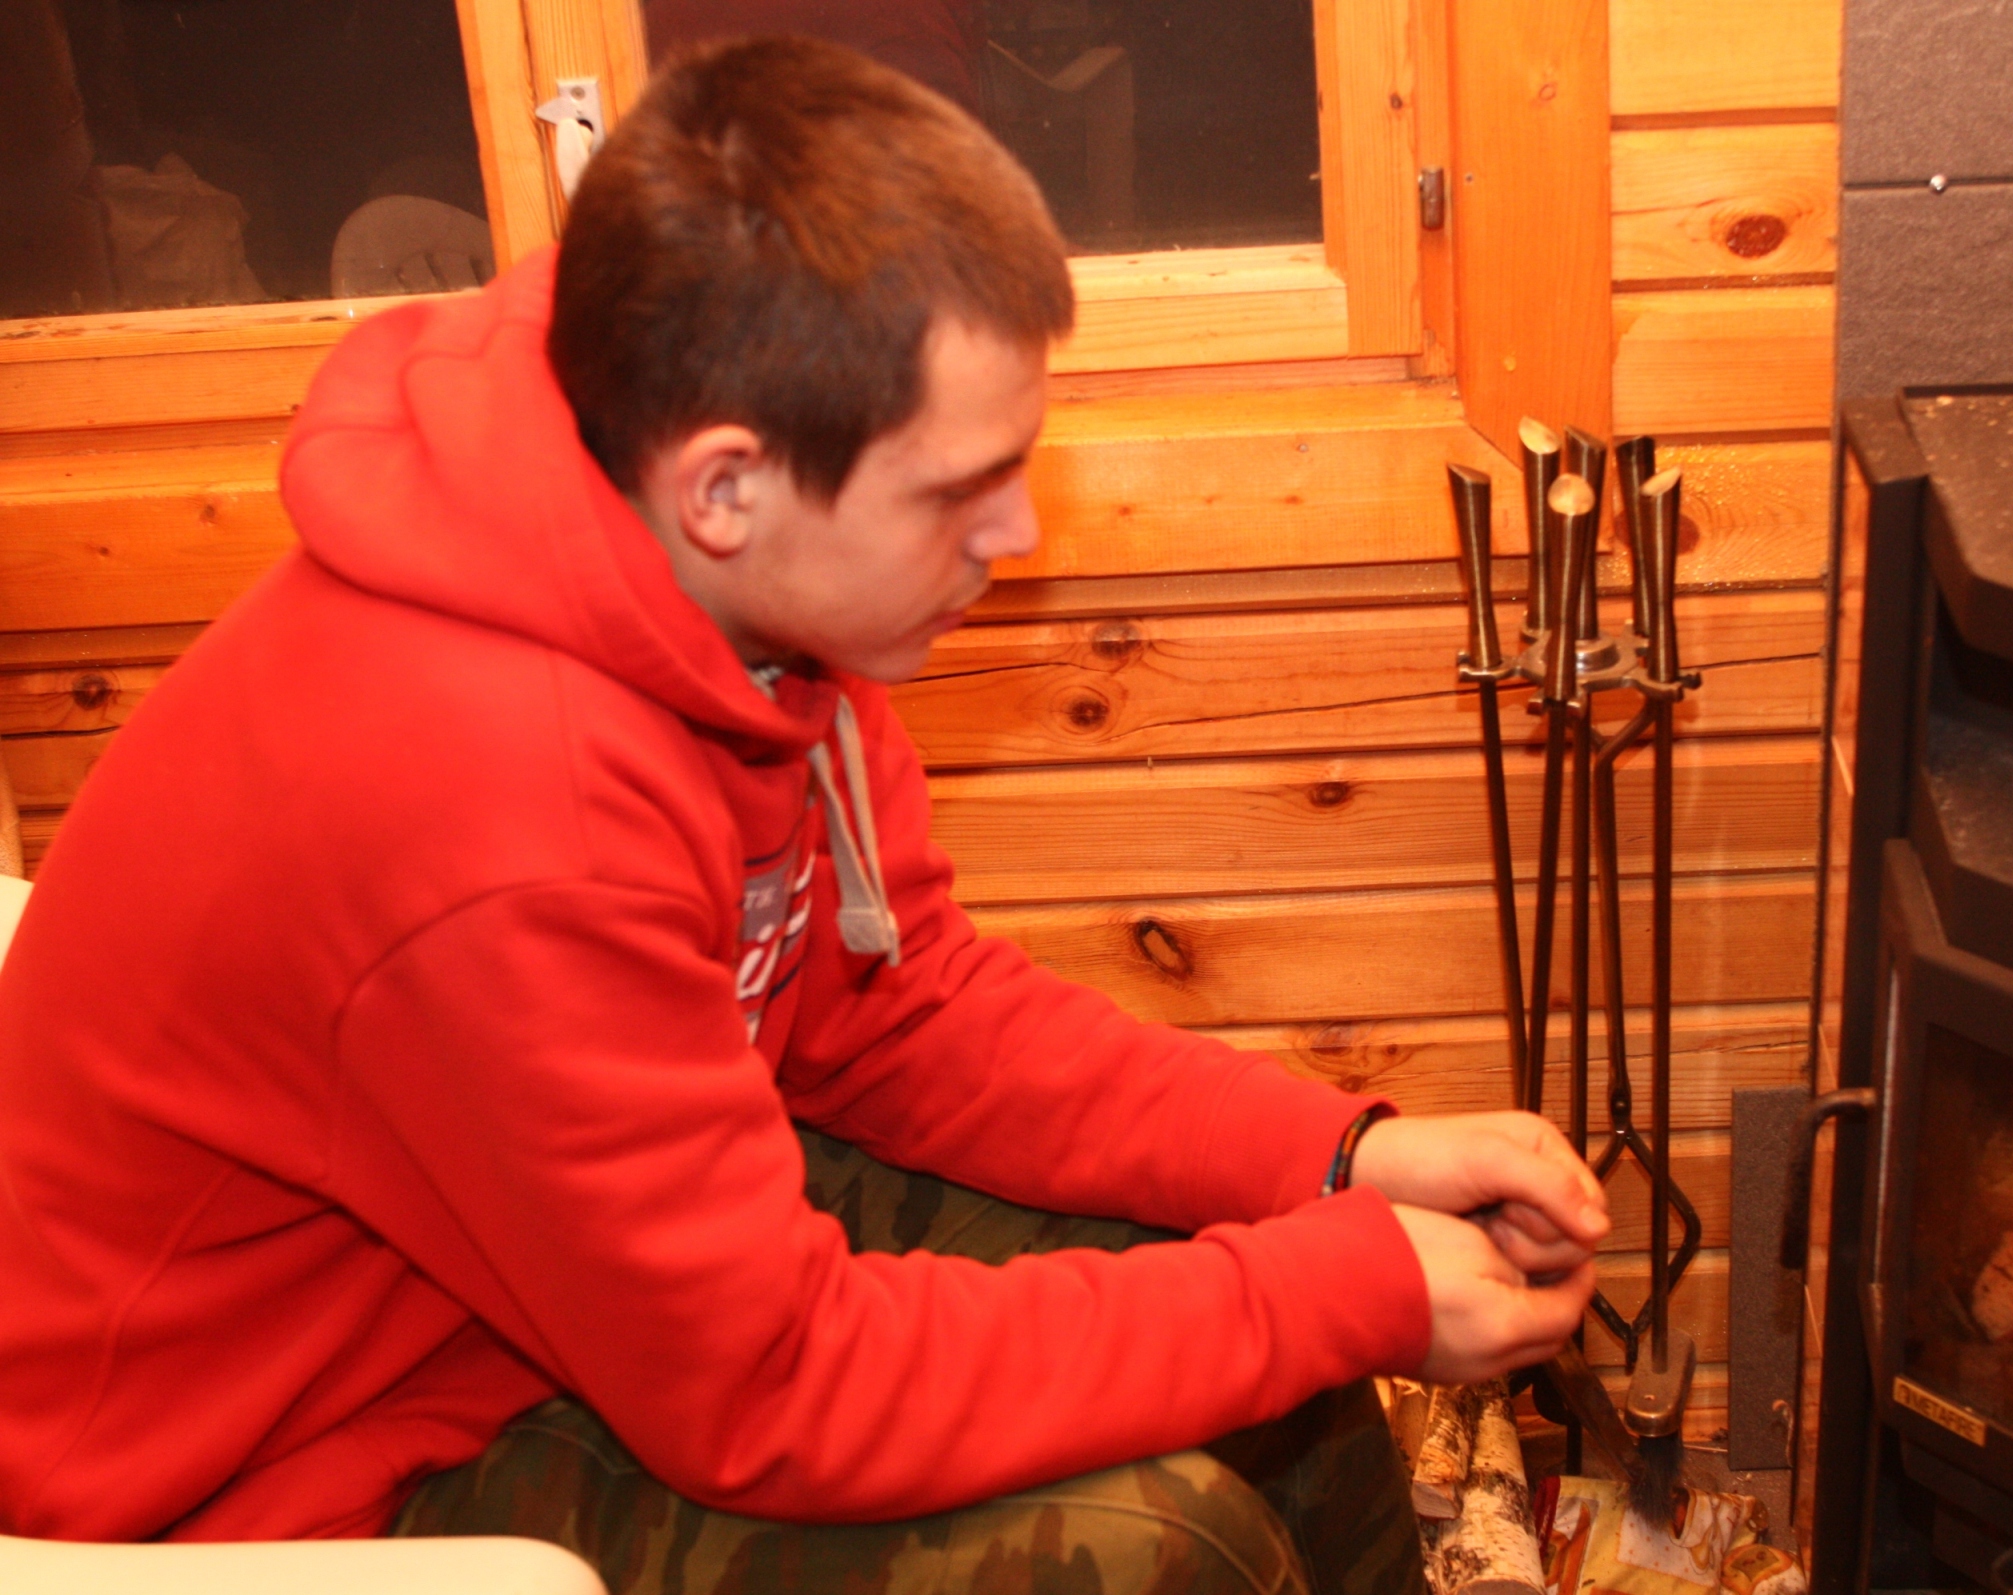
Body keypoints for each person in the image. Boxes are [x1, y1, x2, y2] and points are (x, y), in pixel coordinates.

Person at [0, 37, 1605, 1594]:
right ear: (726, 488)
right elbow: (770, 1395)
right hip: (266, 1476)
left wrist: (1336, 1163)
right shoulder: (497, 810)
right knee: (1166, 1548)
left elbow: (899, 1006)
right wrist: (1336, 1290)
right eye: (955, 490)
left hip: (530, 1286)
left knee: (1277, 1337)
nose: (1018, 533)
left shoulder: (725, 579)